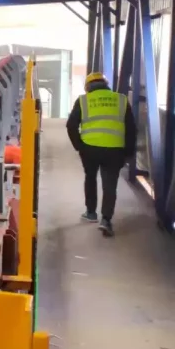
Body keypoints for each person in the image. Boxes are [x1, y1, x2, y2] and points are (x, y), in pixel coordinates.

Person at [66, 72, 136, 237]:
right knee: (110, 185)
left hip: (90, 148)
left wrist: (79, 146)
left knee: (90, 177)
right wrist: (128, 152)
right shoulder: (121, 100)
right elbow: (131, 129)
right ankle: (106, 220)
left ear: (88, 86)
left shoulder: (83, 100)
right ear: (106, 84)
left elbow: (71, 125)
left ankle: (91, 213)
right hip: (115, 149)